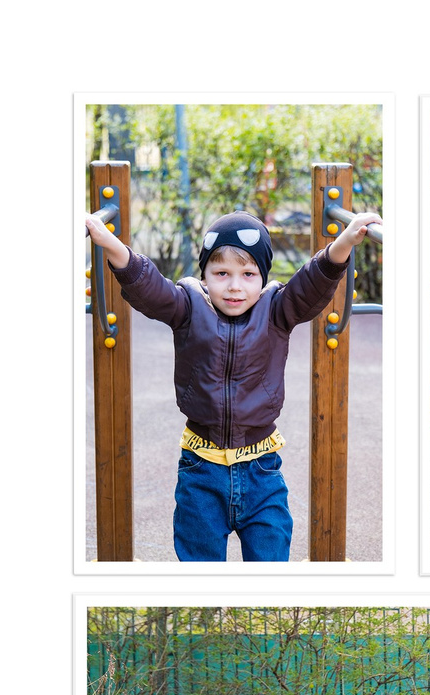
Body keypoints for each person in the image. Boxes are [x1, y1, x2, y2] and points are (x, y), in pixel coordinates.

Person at [83, 205, 380, 559]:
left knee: (269, 565)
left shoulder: (277, 310)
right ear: (205, 275)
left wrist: (346, 240)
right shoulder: (187, 307)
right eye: (221, 272)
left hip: (262, 470)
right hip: (200, 470)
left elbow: (311, 284)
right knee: (200, 570)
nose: (235, 286)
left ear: (263, 277)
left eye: (248, 274)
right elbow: (149, 287)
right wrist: (108, 242)